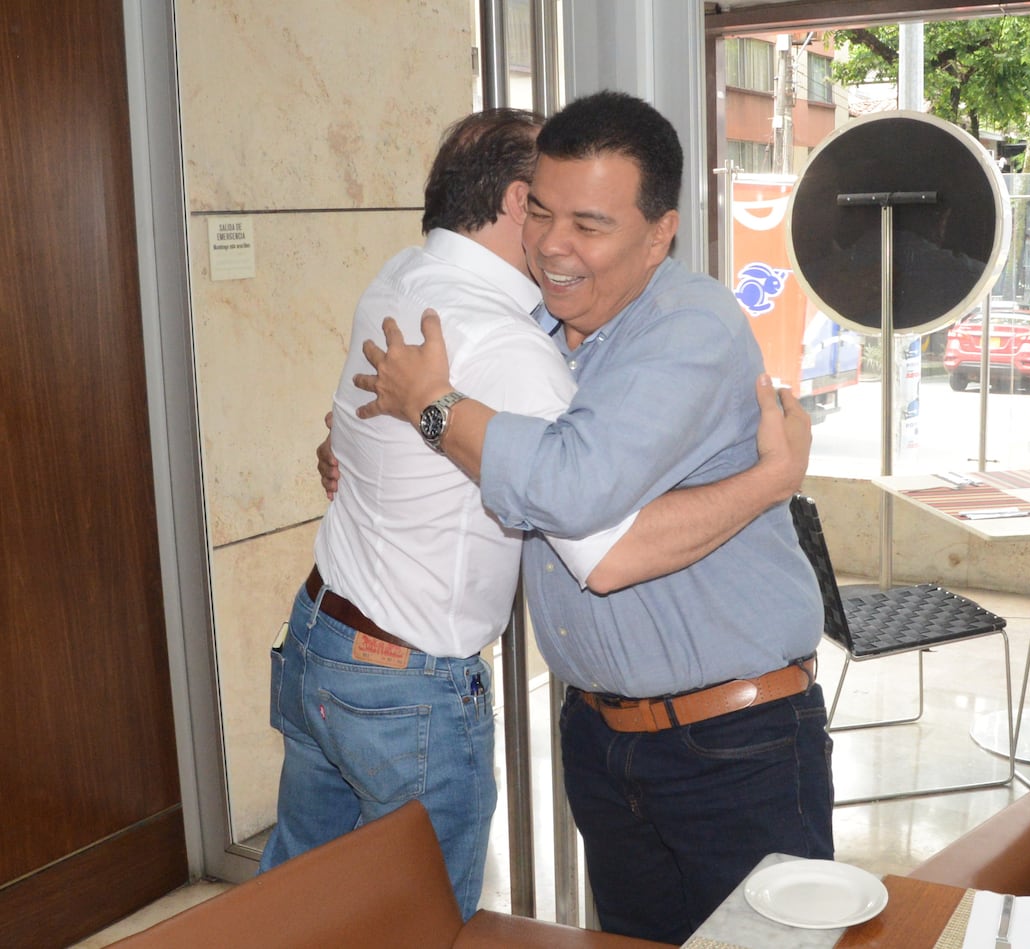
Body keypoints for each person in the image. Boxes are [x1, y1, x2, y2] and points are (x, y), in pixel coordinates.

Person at [263, 107, 811, 921]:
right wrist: (371, 440)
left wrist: (435, 412)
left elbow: (598, 537)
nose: (555, 244)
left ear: (659, 236)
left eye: (588, 223)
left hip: (730, 736)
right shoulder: (537, 324)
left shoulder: (683, 327)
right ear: (520, 202)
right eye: (545, 213)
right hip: (598, 732)